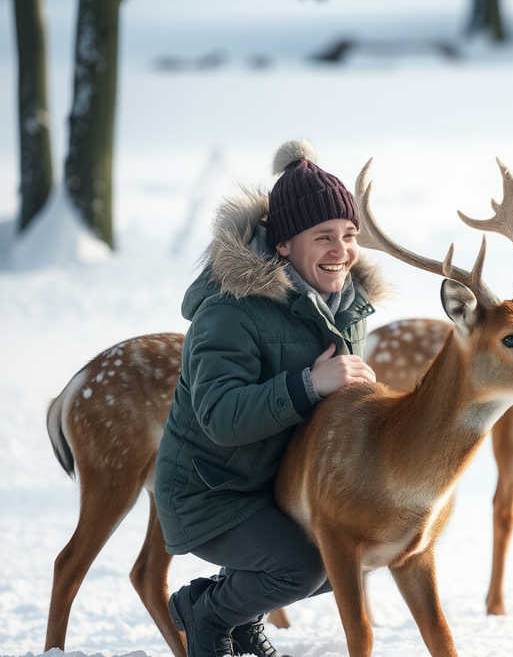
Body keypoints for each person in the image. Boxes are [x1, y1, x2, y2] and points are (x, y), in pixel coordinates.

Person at [154, 139, 384, 657]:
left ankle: (237, 611)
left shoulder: (347, 309)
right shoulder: (228, 313)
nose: (340, 251)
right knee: (302, 566)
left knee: (350, 556)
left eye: (348, 236)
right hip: (209, 492)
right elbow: (220, 418)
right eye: (322, 236)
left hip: (278, 486)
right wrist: (309, 385)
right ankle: (208, 613)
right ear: (282, 244)